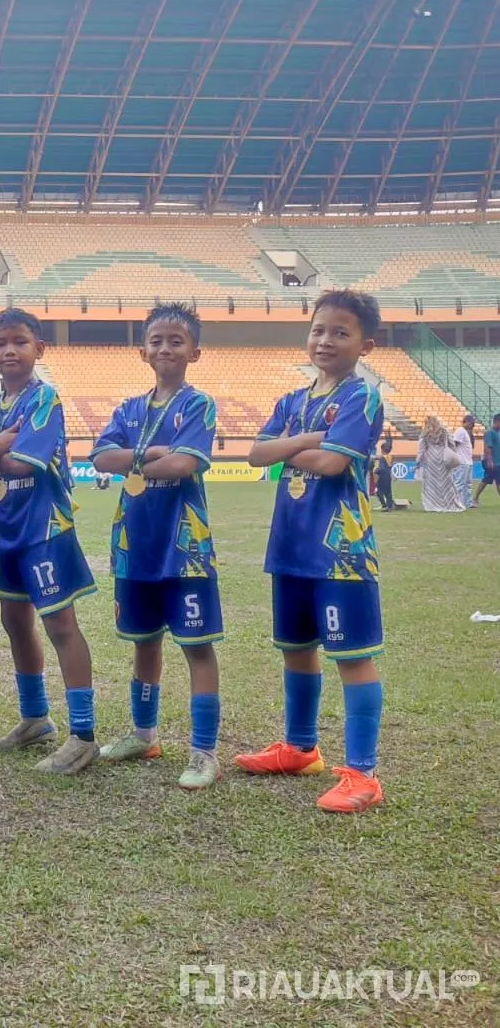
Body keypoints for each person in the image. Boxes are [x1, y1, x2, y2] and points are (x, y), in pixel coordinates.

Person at [239, 289, 386, 813]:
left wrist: (294, 446)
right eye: (319, 329)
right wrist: (311, 436)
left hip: (340, 551)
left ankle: (363, 774)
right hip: (291, 545)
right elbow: (256, 454)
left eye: (340, 332)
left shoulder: (361, 396)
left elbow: (330, 465)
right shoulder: (292, 401)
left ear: (365, 345)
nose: (325, 340)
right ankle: (301, 749)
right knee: (297, 650)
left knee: (352, 657)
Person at [89, 303, 223, 791]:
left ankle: (204, 751)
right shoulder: (129, 409)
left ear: (195, 352)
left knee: (196, 646)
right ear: (142, 350)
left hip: (183, 546)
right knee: (144, 643)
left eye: (176, 340)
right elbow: (100, 457)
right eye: (157, 340)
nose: (165, 348)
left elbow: (186, 464)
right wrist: (151, 454)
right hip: (134, 543)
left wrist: (138, 461)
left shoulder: (198, 405)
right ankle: (144, 734)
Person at [0, 307, 102, 775]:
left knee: (61, 624)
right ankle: (34, 717)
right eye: (0, 343)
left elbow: (23, 464)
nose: (9, 350)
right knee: (14, 621)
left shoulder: (45, 399)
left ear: (38, 349)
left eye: (20, 342)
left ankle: (83, 734)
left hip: (44, 528)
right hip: (4, 528)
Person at [416, 414, 465, 512]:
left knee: (431, 484)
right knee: (447, 482)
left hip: (431, 460)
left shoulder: (425, 434)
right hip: (444, 459)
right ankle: (448, 503)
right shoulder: (444, 431)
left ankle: (432, 504)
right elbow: (452, 445)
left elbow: (421, 450)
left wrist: (418, 461)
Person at [476, 414, 500, 504]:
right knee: (490, 480)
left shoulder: (498, 432)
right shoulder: (490, 432)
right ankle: (475, 498)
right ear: (497, 421)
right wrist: (490, 461)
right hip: (492, 462)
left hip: (498, 462)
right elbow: (487, 448)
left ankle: (475, 498)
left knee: (489, 480)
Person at [455, 415, 476, 507]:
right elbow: (454, 443)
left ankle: (467, 502)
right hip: (462, 461)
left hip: (468, 461)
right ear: (465, 422)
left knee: (467, 484)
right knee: (459, 483)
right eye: (470, 423)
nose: (472, 425)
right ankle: (455, 502)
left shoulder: (467, 433)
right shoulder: (460, 431)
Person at [373, 437, 395, 512]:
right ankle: (390, 506)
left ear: (382, 449)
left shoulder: (382, 458)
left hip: (382, 476)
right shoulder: (390, 457)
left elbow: (381, 468)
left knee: (379, 492)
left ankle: (384, 506)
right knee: (388, 492)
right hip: (388, 475)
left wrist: (376, 471)